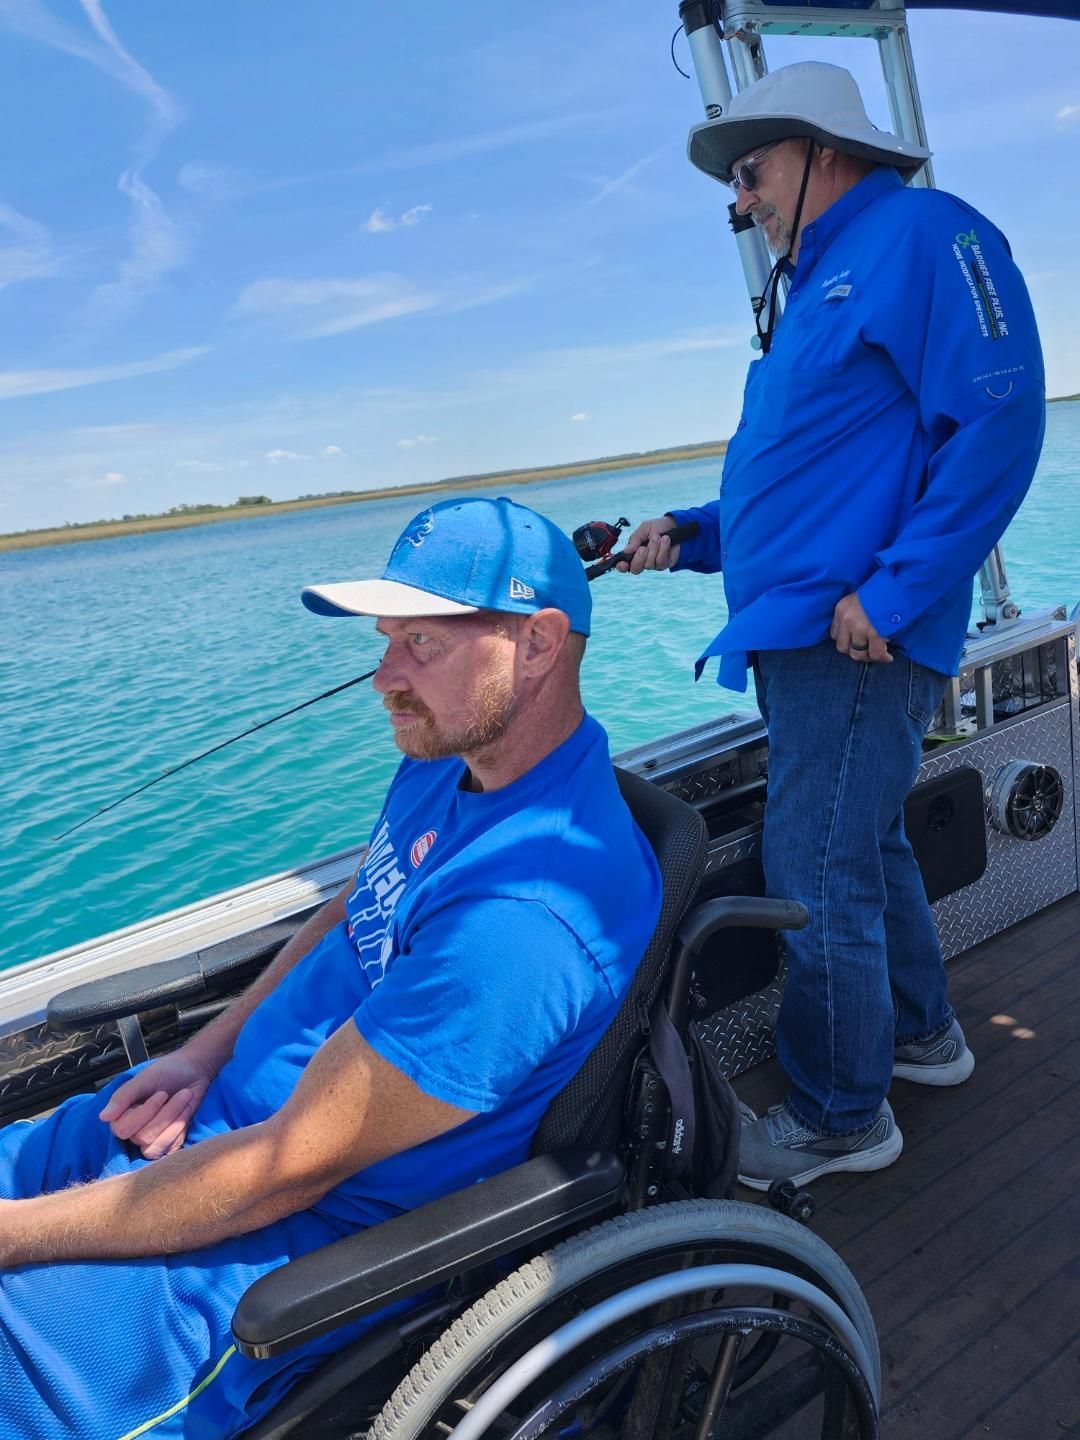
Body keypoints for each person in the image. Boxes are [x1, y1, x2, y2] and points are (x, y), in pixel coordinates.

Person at [0, 496, 662, 1439]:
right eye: (386, 639)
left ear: (540, 644)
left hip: (262, 1261)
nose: (383, 676)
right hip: (199, 1126)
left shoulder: (524, 922)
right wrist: (203, 1057)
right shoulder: (452, 760)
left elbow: (284, 1175)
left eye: (419, 645)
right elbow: (358, 905)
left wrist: (14, 1237)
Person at [620, 62, 1044, 1189]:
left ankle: (842, 1115)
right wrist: (693, 530)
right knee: (866, 844)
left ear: (819, 148)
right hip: (808, 632)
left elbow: (1000, 419)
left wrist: (893, 594)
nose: (743, 198)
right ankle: (921, 1038)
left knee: (816, 865)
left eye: (750, 171)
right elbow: (810, 478)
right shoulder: (815, 287)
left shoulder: (923, 234)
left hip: (856, 638)